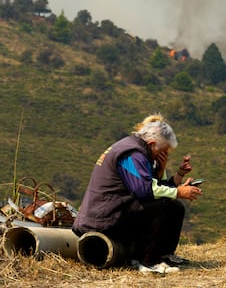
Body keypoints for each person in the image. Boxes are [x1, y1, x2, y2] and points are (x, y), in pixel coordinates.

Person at [73, 115, 202, 274]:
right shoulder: (132, 154)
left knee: (174, 206)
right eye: (162, 151)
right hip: (103, 219)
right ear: (152, 144)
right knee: (165, 206)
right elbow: (144, 191)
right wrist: (178, 192)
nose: (162, 156)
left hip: (115, 212)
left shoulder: (137, 150)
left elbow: (152, 186)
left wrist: (177, 177)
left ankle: (163, 255)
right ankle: (149, 262)